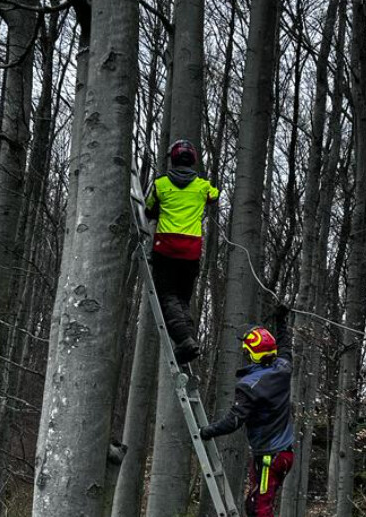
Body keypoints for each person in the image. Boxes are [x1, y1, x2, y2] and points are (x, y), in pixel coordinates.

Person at [199, 305, 294, 517]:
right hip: (285, 454)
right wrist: (282, 321)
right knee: (254, 505)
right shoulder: (283, 368)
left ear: (252, 355)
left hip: (270, 456)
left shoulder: (249, 385)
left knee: (260, 509)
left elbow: (233, 421)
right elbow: (286, 345)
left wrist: (206, 431)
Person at [145, 139, 219, 364]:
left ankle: (185, 340)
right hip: (191, 251)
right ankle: (188, 340)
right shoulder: (203, 186)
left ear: (173, 159)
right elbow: (214, 195)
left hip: (165, 247)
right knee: (182, 300)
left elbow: (148, 209)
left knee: (167, 296)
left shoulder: (160, 184)